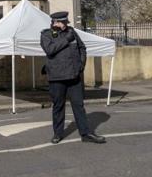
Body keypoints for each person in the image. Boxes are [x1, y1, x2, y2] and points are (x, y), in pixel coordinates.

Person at [40, 11, 106, 145]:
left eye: (65, 22)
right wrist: (66, 40)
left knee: (79, 105)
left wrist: (81, 64)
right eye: (62, 22)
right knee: (58, 106)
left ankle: (86, 133)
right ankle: (58, 134)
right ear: (55, 22)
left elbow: (82, 48)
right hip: (57, 77)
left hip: (74, 76)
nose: (65, 25)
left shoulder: (72, 32)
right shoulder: (46, 34)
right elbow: (50, 50)